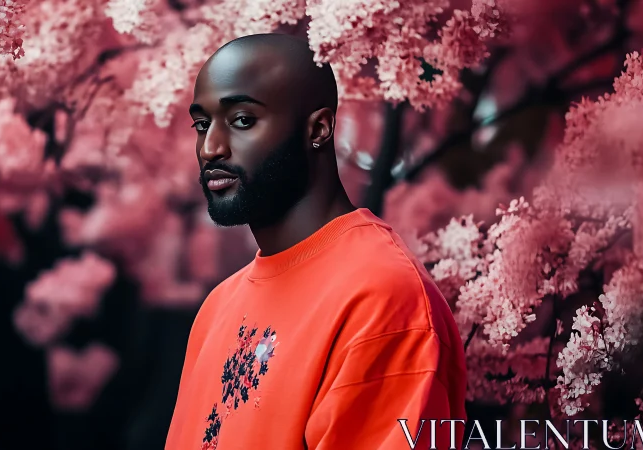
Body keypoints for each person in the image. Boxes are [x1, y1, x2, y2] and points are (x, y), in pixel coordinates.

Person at [165, 33, 467, 450]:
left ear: (320, 129)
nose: (210, 147)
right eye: (202, 125)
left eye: (242, 121)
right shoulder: (217, 307)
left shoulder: (382, 297)